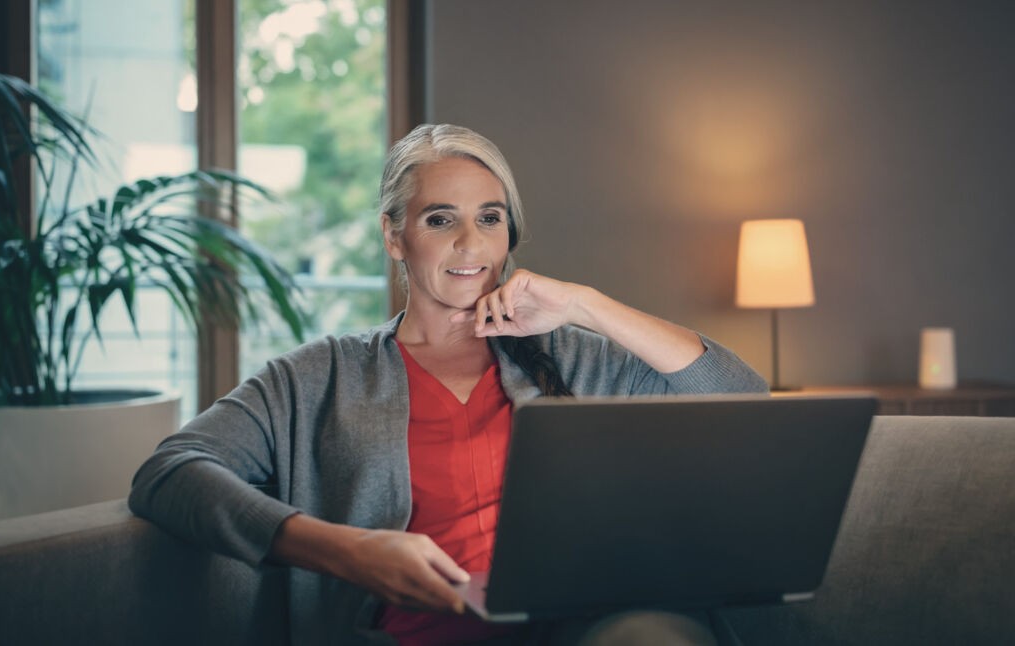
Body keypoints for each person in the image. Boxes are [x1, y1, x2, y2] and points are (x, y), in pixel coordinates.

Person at [129, 123, 767, 645]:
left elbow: (742, 401)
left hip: (584, 629)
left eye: (490, 218)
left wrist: (584, 304)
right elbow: (168, 473)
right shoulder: (317, 376)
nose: (471, 243)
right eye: (440, 220)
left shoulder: (574, 356)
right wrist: (347, 551)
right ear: (394, 236)